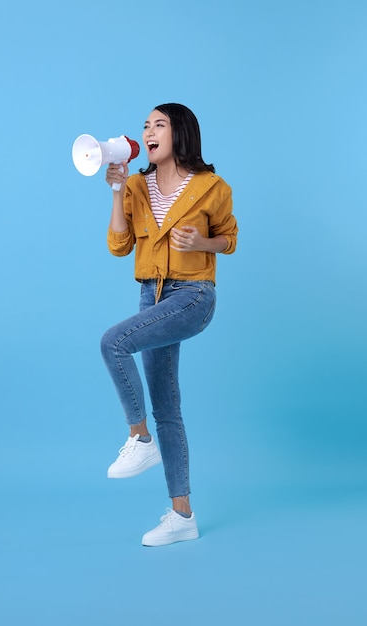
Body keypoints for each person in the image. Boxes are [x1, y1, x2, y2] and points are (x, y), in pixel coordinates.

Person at [101, 103, 238, 546]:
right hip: (151, 293)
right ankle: (183, 517)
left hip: (193, 294)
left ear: (180, 133)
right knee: (168, 408)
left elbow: (229, 240)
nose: (149, 131)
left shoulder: (212, 187)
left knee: (113, 343)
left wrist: (201, 241)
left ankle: (139, 439)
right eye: (146, 125)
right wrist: (118, 194)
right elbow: (119, 246)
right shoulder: (137, 185)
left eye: (158, 124)